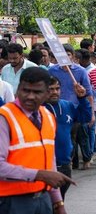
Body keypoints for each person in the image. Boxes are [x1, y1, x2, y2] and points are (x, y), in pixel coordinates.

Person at [0, 67, 74, 214]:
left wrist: (58, 202)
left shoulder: (48, 117)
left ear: (47, 93)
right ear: (18, 89)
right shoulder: (4, 117)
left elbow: (49, 162)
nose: (30, 96)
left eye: (37, 92)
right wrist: (39, 175)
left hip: (42, 200)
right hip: (10, 202)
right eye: (25, 90)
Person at [44, 77, 76, 198]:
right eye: (51, 89)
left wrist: (82, 99)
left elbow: (85, 118)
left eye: (57, 88)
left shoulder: (67, 105)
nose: (55, 92)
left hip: (64, 164)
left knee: (59, 200)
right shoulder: (37, 110)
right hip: (45, 167)